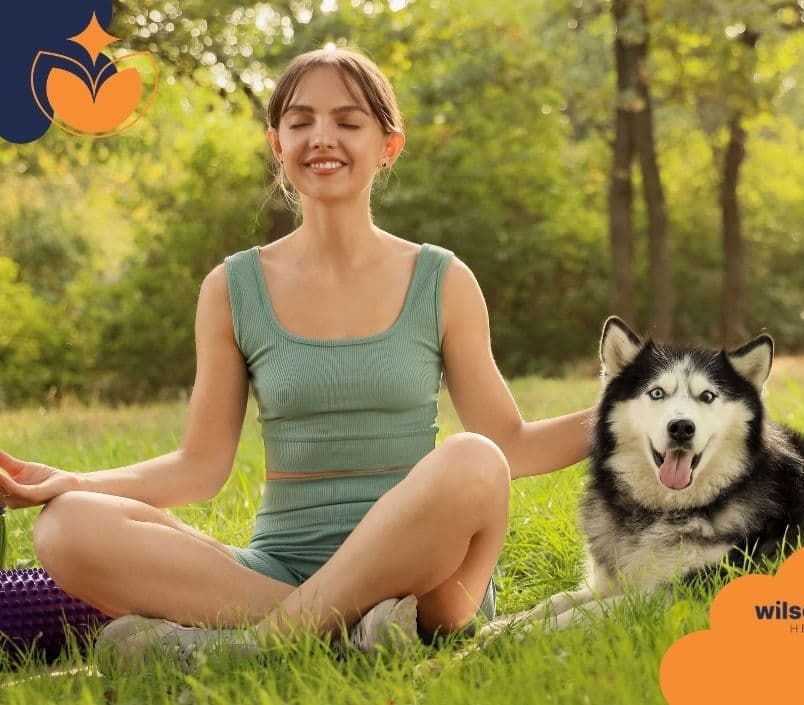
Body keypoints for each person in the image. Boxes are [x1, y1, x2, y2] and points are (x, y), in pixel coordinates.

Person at [0, 47, 593, 662]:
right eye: (301, 120)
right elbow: (200, 467)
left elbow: (511, 445)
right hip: (277, 570)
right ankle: (348, 635)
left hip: (429, 582)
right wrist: (74, 481)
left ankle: (256, 646)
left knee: (475, 459)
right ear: (276, 144)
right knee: (68, 526)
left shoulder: (442, 280)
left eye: (348, 120)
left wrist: (632, 408)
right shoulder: (232, 289)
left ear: (389, 145)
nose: (321, 137)